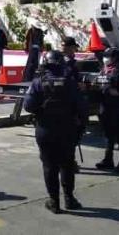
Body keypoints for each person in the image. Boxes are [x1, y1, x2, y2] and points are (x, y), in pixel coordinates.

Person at [24, 51, 86, 214]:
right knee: (67, 164)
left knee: (49, 166)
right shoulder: (70, 83)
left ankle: (54, 201)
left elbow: (28, 106)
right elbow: (82, 108)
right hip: (67, 130)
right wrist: (79, 129)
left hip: (46, 129)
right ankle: (69, 198)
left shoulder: (38, 83)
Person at [95, 48, 119, 173]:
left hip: (117, 108)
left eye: (108, 56)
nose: (105, 59)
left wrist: (112, 91)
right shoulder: (103, 71)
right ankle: (108, 160)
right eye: (104, 56)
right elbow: (98, 85)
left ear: (115, 58)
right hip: (104, 108)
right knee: (108, 135)